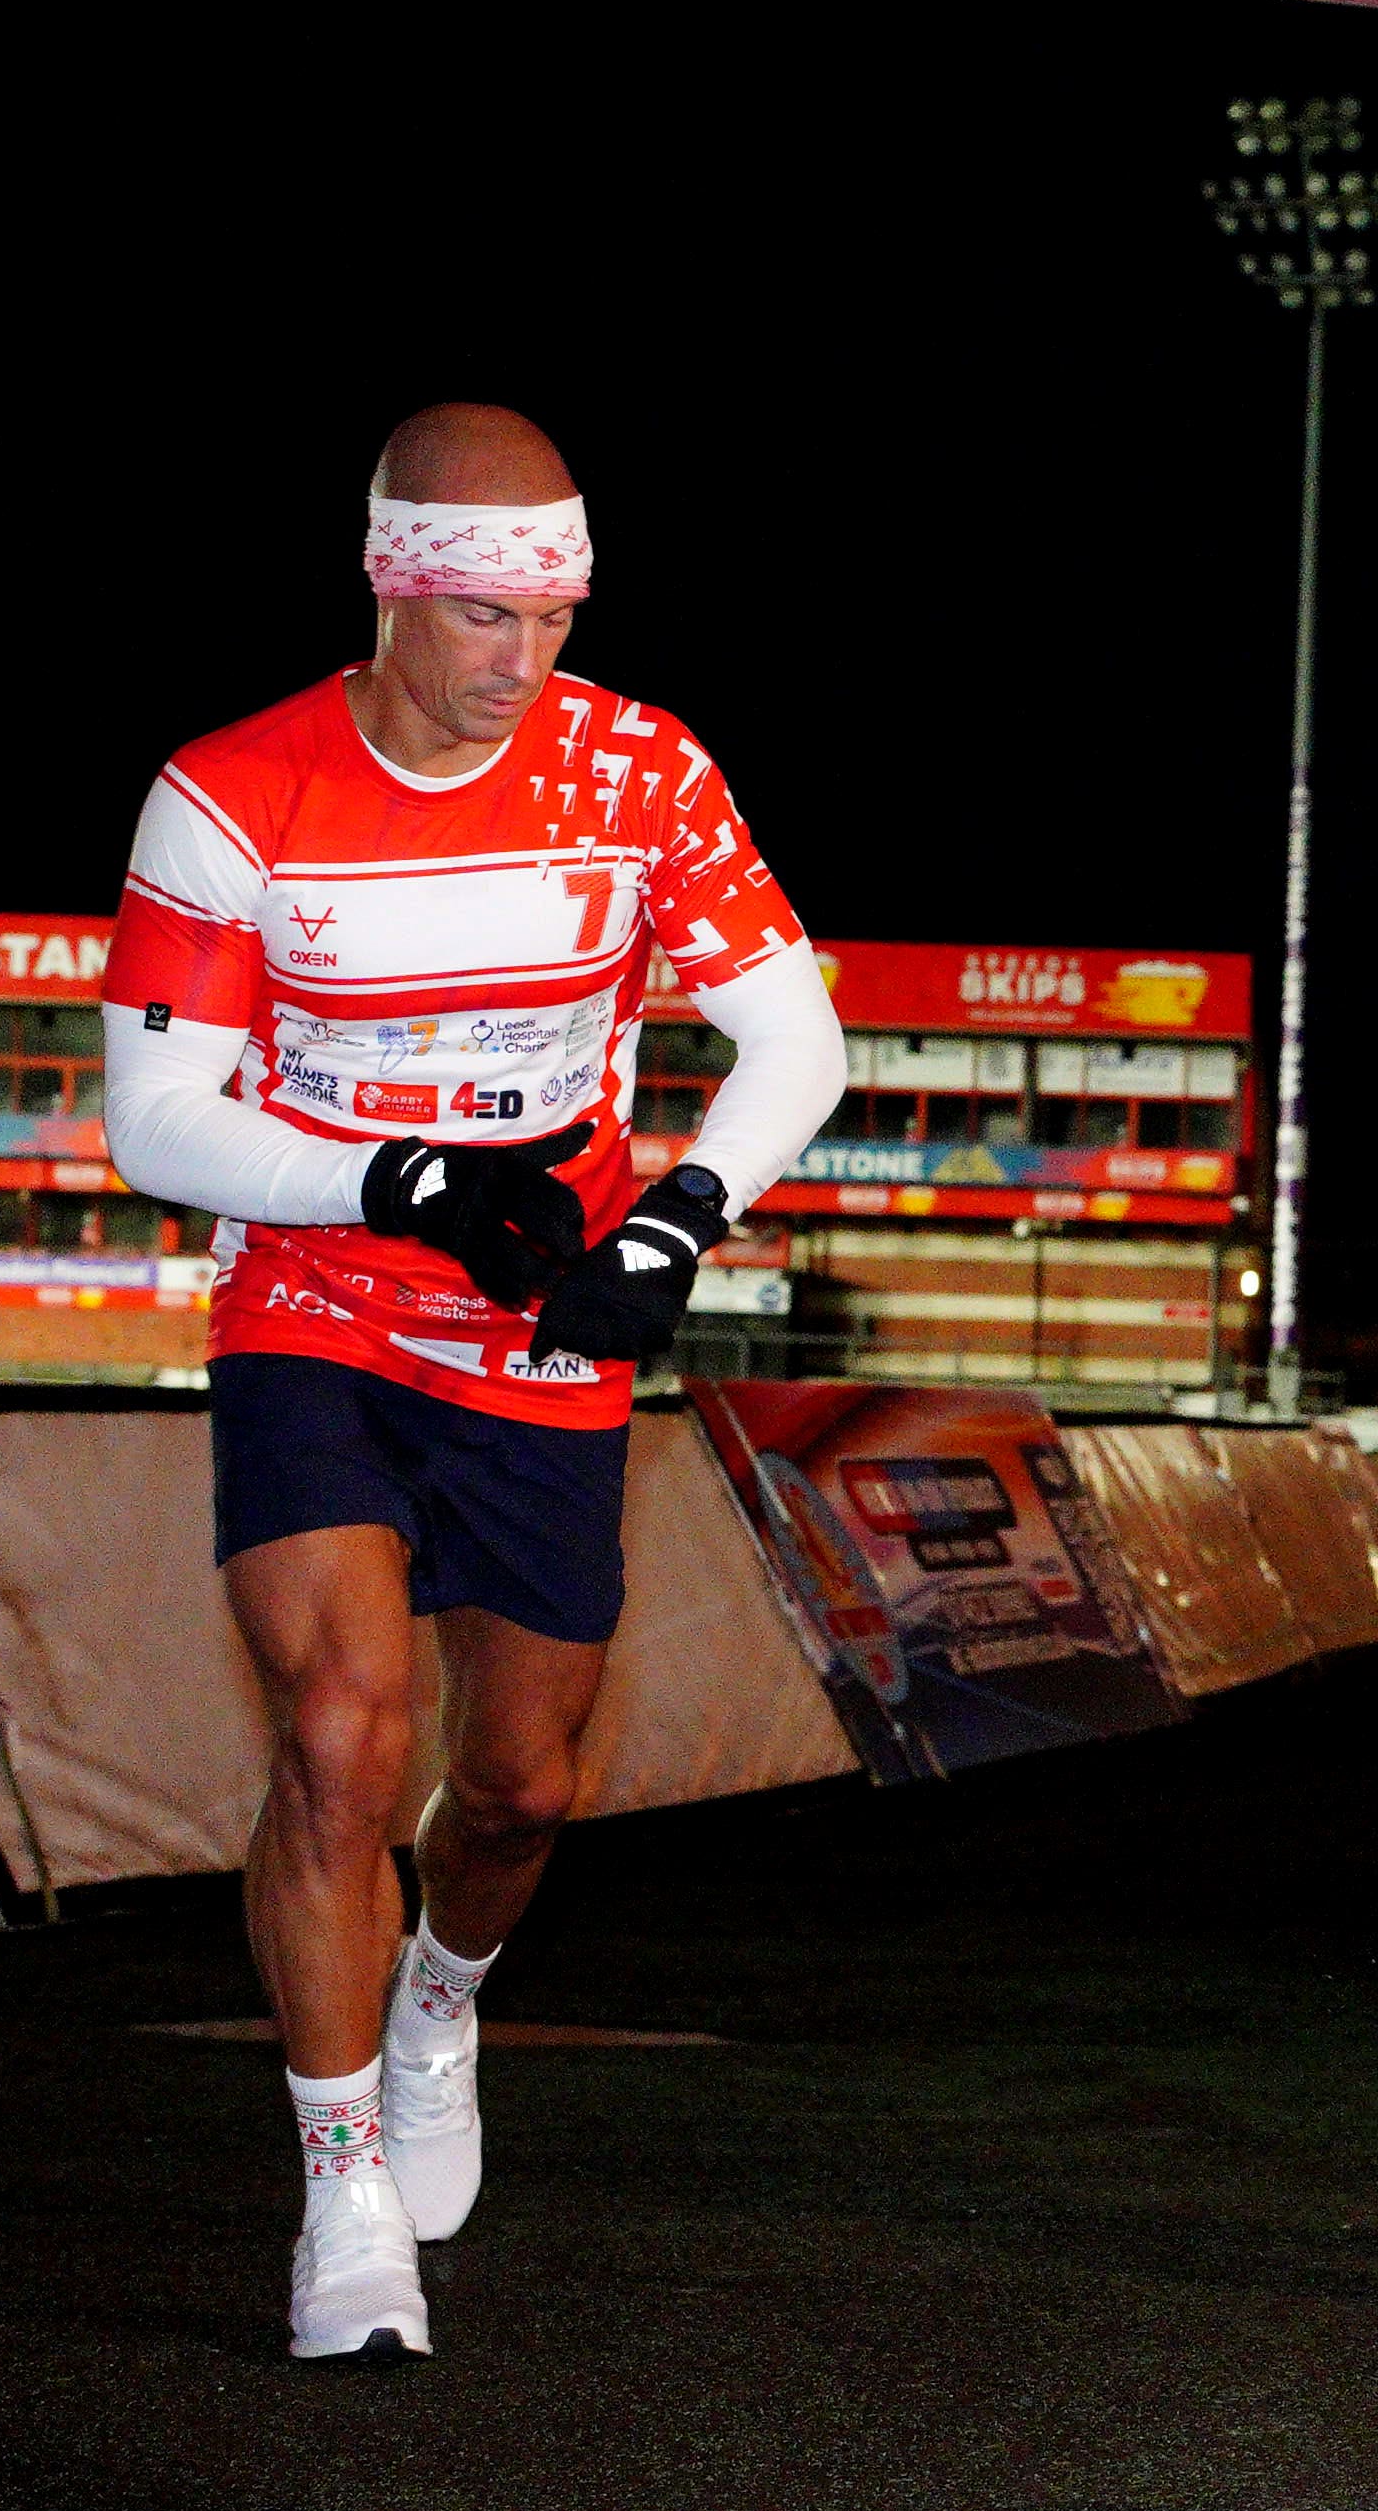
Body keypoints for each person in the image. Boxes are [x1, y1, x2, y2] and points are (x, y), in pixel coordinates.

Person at [102, 404, 846, 2360]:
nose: (524, 661)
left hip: (539, 1327)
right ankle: (342, 2198)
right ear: (385, 585)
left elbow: (795, 1041)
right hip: (317, 1299)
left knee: (514, 1788)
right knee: (346, 1739)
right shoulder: (228, 794)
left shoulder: (639, 764)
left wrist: (675, 1221)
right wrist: (394, 1180)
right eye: (482, 621)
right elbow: (154, 1119)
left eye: (554, 615)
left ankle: (444, 1998)